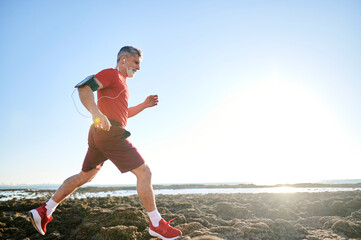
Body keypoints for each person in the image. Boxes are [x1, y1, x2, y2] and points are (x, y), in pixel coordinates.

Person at [29, 46, 182, 240]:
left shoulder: (122, 84)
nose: (138, 68)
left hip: (100, 133)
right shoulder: (112, 74)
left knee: (84, 176)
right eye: (136, 62)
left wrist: (143, 105)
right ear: (123, 59)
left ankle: (45, 210)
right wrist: (96, 113)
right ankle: (156, 223)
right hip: (110, 133)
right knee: (145, 172)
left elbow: (124, 114)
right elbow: (84, 88)